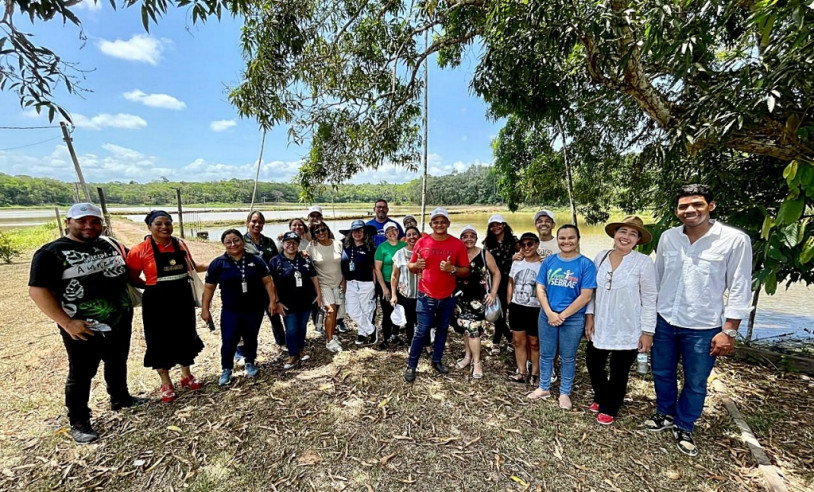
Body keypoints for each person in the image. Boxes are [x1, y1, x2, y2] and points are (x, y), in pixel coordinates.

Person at [645, 184, 752, 457]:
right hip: (665, 318)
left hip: (703, 326)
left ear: (710, 206)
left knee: (695, 380)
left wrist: (729, 331)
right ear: (676, 210)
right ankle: (665, 414)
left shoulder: (733, 240)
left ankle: (685, 424)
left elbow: (740, 286)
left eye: (697, 204)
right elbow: (657, 278)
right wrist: (647, 319)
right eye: (683, 206)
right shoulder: (668, 238)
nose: (690, 210)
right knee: (662, 372)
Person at [28, 203, 147, 443]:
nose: (89, 226)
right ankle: (79, 420)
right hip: (82, 325)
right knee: (82, 372)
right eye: (82, 221)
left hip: (119, 318)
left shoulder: (110, 245)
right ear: (68, 223)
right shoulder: (51, 253)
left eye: (94, 221)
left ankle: (120, 397)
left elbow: (133, 270)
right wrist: (67, 323)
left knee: (117, 360)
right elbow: (37, 291)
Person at [126, 211, 208, 403]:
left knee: (186, 335)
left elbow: (192, 266)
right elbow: (132, 276)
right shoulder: (140, 250)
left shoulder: (179, 244)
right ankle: (166, 382)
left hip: (182, 297)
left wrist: (218, 264)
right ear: (149, 227)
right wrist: (149, 286)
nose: (165, 227)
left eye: (168, 223)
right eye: (159, 224)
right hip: (157, 301)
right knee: (159, 340)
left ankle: (186, 375)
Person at [584, 216, 657, 425]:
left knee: (619, 369)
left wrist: (647, 331)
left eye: (633, 234)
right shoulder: (601, 257)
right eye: (623, 232)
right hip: (601, 321)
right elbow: (592, 291)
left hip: (628, 324)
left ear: (638, 240)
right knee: (594, 362)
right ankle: (601, 394)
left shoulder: (643, 263)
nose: (626, 237)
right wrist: (589, 316)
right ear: (615, 234)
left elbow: (650, 298)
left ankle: (611, 405)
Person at [527, 224, 596, 410]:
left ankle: (565, 392)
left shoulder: (585, 264)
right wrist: (550, 313)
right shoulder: (549, 261)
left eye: (571, 238)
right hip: (547, 315)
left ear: (578, 240)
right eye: (562, 238)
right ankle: (544, 387)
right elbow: (540, 288)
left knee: (568, 357)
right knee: (546, 354)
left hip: (572, 319)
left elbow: (586, 296)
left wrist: (562, 316)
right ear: (557, 240)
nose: (566, 241)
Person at [201, 229, 277, 386]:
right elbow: (209, 288)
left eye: (236, 240)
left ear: (242, 241)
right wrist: (205, 309)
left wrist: (272, 301)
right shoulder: (218, 263)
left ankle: (250, 362)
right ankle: (226, 369)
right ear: (223, 244)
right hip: (231, 310)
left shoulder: (256, 261)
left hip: (253, 308)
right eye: (228, 242)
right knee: (229, 340)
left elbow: (268, 282)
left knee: (251, 337)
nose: (233, 244)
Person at [404, 207, 470, 383]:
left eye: (443, 221)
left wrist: (453, 269)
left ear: (448, 223)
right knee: (422, 330)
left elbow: (466, 271)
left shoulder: (457, 244)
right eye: (436, 221)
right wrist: (416, 265)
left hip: (448, 296)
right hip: (426, 295)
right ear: (431, 224)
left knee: (442, 329)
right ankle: (412, 365)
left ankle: (437, 360)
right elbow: (411, 267)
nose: (439, 224)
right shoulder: (422, 242)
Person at [269, 231, 326, 369]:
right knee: (291, 329)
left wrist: (318, 295)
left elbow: (314, 277)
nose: (291, 245)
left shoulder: (304, 259)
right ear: (283, 244)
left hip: (306, 300)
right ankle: (292, 354)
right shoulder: (275, 261)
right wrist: (276, 301)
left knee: (302, 327)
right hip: (287, 303)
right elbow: (271, 283)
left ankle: (300, 350)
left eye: (294, 243)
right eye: (288, 242)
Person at [452, 225, 500, 379]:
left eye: (472, 235)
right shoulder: (457, 253)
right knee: (465, 329)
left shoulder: (484, 254)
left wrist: (493, 293)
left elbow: (496, 273)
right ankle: (467, 357)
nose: (468, 239)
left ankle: (477, 362)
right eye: (464, 236)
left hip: (478, 299)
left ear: (476, 238)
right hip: (460, 298)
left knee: (474, 331)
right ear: (460, 239)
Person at [240, 211, 285, 356]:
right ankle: (242, 352)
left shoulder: (268, 242)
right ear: (247, 223)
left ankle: (282, 342)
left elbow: (275, 262)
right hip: (248, 287)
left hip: (268, 286)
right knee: (247, 321)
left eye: (260, 222)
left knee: (274, 315)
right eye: (254, 221)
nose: (257, 224)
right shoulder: (240, 241)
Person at [507, 232, 543, 385]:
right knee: (518, 341)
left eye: (530, 244)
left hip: (535, 308)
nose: (527, 247)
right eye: (523, 244)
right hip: (517, 307)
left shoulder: (543, 264)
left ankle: (535, 373)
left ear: (536, 245)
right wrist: (509, 301)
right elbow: (511, 282)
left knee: (534, 342)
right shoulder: (517, 263)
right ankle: (522, 371)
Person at [482, 214, 519, 355]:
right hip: (495, 281)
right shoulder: (487, 243)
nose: (495, 227)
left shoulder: (513, 241)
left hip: (511, 280)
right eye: (492, 225)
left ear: (504, 225)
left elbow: (525, 254)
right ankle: (504, 339)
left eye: (498, 224)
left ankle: (501, 340)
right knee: (498, 312)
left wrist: (516, 258)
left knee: (508, 311)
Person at [306, 222, 345, 353]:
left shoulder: (338, 244)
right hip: (323, 284)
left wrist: (343, 281)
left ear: (328, 230)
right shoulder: (312, 247)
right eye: (317, 231)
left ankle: (332, 334)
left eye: (323, 229)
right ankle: (329, 341)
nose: (321, 233)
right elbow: (304, 260)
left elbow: (342, 264)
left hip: (338, 283)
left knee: (336, 312)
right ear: (313, 235)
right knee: (330, 311)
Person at [340, 219, 379, 345]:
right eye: (354, 231)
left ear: (365, 233)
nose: (357, 234)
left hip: (366, 283)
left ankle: (361, 334)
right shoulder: (344, 246)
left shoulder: (371, 248)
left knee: (366, 310)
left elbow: (374, 268)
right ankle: (371, 330)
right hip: (350, 283)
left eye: (360, 231)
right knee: (352, 310)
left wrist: (374, 285)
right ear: (351, 233)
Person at [390, 226, 426, 349]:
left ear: (419, 237)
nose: (412, 237)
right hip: (406, 294)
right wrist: (394, 295)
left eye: (414, 234)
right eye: (409, 235)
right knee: (410, 321)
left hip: (423, 294)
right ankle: (411, 343)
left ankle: (427, 345)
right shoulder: (400, 254)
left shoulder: (426, 252)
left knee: (423, 321)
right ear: (405, 238)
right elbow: (394, 276)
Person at [374, 221, 406, 349]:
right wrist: (384, 288)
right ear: (385, 234)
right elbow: (377, 269)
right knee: (387, 312)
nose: (391, 233)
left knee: (399, 310)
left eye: (394, 230)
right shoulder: (382, 248)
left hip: (402, 284)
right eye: (388, 231)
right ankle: (386, 338)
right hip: (386, 283)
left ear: (398, 232)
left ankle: (395, 335)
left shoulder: (404, 245)